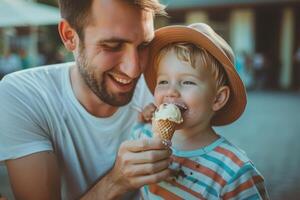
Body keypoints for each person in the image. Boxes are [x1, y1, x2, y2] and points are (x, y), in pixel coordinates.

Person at [0, 0, 173, 199]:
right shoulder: (25, 95)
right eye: (112, 46)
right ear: (69, 36)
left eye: (144, 45)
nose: (134, 70)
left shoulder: (164, 88)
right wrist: (117, 182)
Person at [131, 23, 269, 199]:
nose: (171, 91)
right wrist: (142, 120)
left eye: (188, 82)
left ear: (217, 98)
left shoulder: (234, 171)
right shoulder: (144, 137)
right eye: (163, 82)